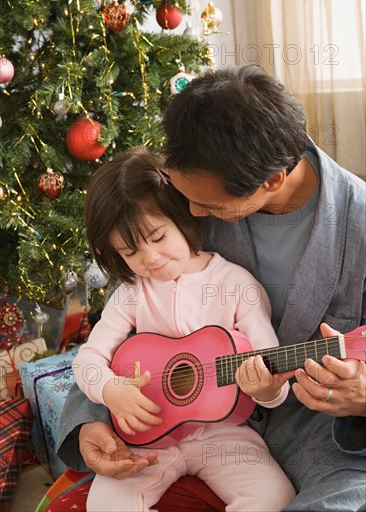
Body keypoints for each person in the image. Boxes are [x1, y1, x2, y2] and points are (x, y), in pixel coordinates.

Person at [56, 65, 365, 511]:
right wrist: (91, 418)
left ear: (272, 180)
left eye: (211, 205)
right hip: (168, 421)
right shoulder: (188, 190)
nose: (192, 214)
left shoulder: (360, 227)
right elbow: (124, 331)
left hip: (321, 435)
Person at [70, 146, 296, 512]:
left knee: (275, 499)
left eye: (158, 238)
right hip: (146, 436)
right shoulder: (131, 293)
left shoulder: (237, 285)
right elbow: (88, 358)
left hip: (226, 433)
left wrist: (269, 390)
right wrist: (109, 388)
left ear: (182, 216)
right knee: (104, 505)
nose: (150, 258)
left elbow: (270, 369)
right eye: (129, 252)